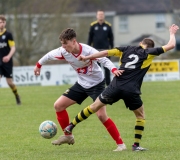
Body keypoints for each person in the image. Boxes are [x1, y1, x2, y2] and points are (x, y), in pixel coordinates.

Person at [64, 24, 179, 151]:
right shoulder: (148, 53)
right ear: (150, 48)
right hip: (131, 90)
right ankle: (136, 145)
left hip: (115, 87)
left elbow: (105, 53)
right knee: (140, 116)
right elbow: (171, 45)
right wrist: (172, 33)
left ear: (140, 43)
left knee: (93, 107)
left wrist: (87, 57)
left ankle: (71, 125)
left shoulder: (125, 49)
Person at [34, 28, 126, 151]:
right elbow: (49, 55)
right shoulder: (63, 51)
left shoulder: (88, 50)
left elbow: (103, 59)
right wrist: (38, 65)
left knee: (101, 115)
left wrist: (114, 70)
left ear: (74, 41)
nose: (63, 47)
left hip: (97, 85)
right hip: (81, 84)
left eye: (65, 44)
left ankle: (121, 144)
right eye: (62, 44)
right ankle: (68, 136)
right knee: (58, 105)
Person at [87, 10, 114, 86]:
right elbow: (90, 38)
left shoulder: (108, 26)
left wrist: (112, 49)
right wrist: (88, 50)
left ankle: (109, 85)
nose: (100, 16)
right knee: (97, 69)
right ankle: (98, 84)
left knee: (107, 68)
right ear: (97, 16)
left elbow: (111, 38)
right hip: (95, 51)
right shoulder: (93, 25)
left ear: (104, 16)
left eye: (102, 14)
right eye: (99, 14)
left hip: (106, 51)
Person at [0, 15, 21, 105]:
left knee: (10, 82)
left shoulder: (8, 35)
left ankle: (16, 95)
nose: (1, 24)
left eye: (3, 22)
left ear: (5, 23)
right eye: (0, 22)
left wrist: (8, 56)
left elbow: (13, 48)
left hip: (7, 62)